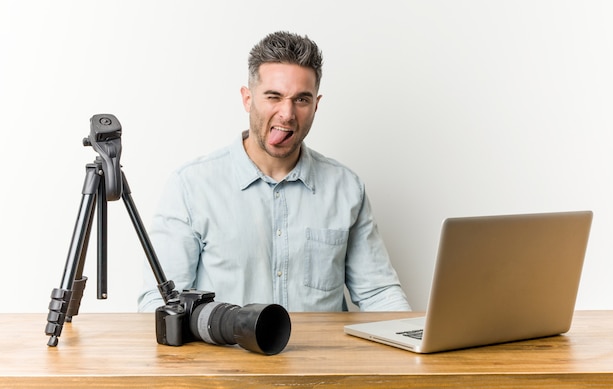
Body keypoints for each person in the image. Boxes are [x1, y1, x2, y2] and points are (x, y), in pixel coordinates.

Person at [138, 31, 411, 312]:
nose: (287, 113)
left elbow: (379, 293)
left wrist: (414, 342)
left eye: (301, 100)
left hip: (322, 356)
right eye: (274, 97)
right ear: (247, 99)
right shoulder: (191, 187)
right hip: (228, 355)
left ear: (316, 105)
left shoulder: (346, 188)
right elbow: (160, 305)